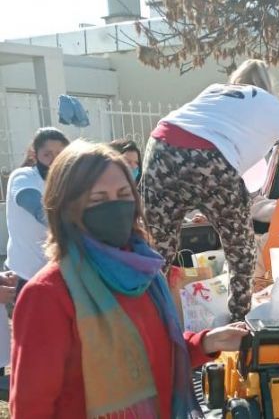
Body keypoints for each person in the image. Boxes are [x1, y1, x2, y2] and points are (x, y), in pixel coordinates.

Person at [10, 141, 248, 418]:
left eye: (123, 194)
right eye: (98, 199)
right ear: (66, 208)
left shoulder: (143, 274)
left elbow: (153, 354)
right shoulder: (48, 295)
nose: (115, 207)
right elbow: (31, 408)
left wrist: (206, 343)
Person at [141, 59, 279, 321]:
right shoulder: (270, 105)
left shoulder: (216, 91)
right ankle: (239, 321)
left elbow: (189, 129)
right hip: (210, 158)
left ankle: (143, 313)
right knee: (241, 252)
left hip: (159, 146)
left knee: (156, 246)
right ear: (267, 86)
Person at [5, 127, 70, 296]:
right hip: (26, 276)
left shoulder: (69, 182)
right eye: (47, 154)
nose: (54, 160)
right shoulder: (24, 177)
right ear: (36, 155)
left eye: (59, 153)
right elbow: (38, 209)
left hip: (58, 273)